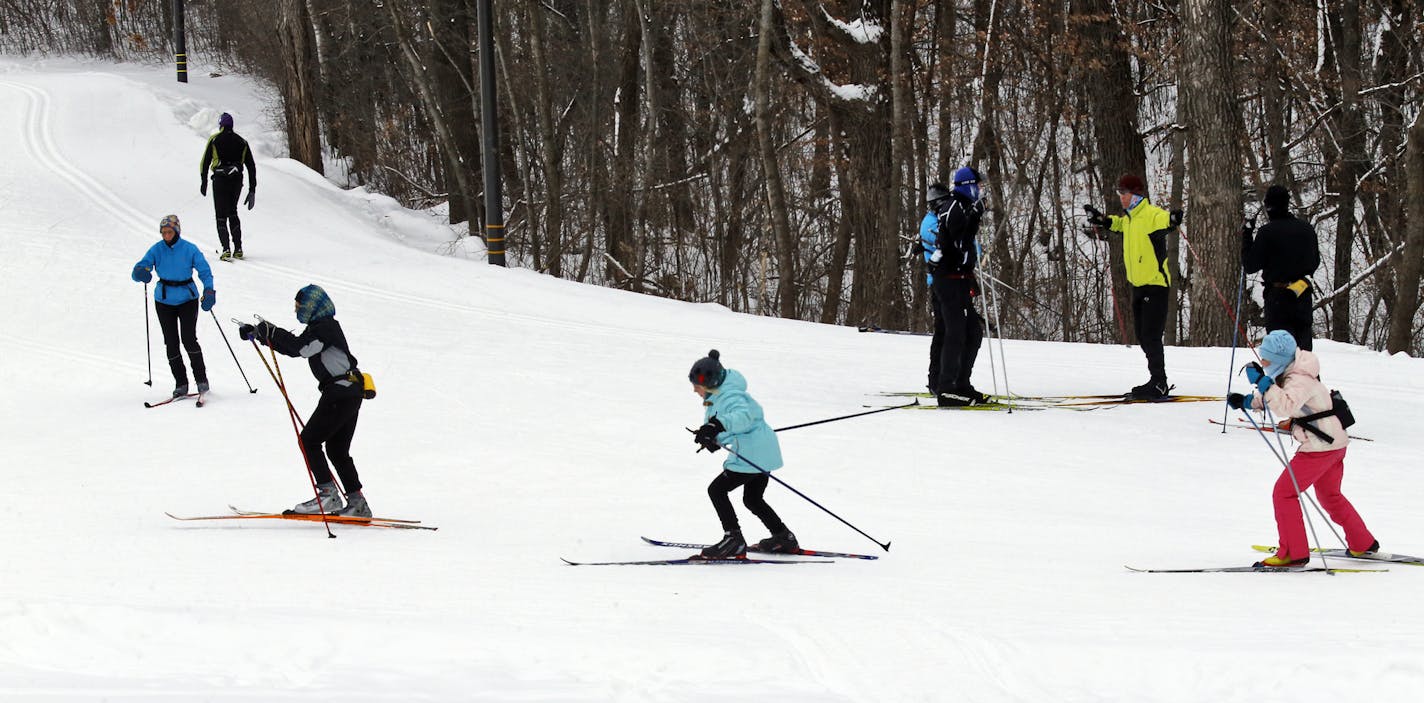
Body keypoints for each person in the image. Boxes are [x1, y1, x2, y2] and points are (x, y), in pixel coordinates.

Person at [1227, 330, 1377, 567]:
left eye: (1265, 359)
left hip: (1321, 447)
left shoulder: (1300, 378)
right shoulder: (1291, 373)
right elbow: (1278, 396)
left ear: (1278, 359)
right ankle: (1362, 543)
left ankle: (1292, 552)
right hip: (1332, 444)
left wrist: (1261, 381)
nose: (1262, 363)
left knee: (1284, 493)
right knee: (1330, 496)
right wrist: (1247, 401)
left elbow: (1285, 405)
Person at [239, 285, 371, 518]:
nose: (296, 311)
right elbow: (297, 347)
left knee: (309, 440)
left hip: (340, 392)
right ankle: (357, 502)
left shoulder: (325, 327)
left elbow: (301, 348)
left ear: (312, 306)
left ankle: (328, 495)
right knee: (337, 449)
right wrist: (262, 335)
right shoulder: (321, 327)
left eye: (299, 306)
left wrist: (270, 332)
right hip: (349, 392)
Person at [688, 349, 796, 558]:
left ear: (710, 384)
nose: (695, 391)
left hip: (752, 454)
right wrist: (713, 437)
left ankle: (733, 540)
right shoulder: (722, 394)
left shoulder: (730, 396)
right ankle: (783, 537)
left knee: (717, 490)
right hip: (761, 451)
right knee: (753, 499)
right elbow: (734, 424)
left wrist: (716, 425)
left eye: (697, 386)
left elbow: (742, 417)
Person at [1084, 173, 1182, 399]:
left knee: (1151, 334)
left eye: (1123, 193)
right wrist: (1101, 219)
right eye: (1120, 193)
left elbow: (1165, 220)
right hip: (1138, 286)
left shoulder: (1150, 215)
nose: (1120, 197)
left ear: (1135, 194)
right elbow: (1118, 225)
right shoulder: (1129, 218)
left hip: (1155, 285)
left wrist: (1174, 219)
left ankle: (1159, 382)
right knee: (1142, 334)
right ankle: (1156, 380)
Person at [919, 167, 988, 407]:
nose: (980, 190)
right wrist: (976, 217)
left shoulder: (961, 207)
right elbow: (959, 242)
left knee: (973, 333)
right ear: (967, 185)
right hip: (947, 280)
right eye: (978, 186)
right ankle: (946, 388)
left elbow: (962, 239)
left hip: (958, 278)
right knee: (955, 332)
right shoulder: (954, 207)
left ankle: (961, 384)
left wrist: (975, 215)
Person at [131, 215, 215, 397]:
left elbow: (204, 271)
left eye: (169, 232)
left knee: (188, 338)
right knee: (171, 342)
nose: (166, 236)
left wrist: (209, 290)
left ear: (176, 231)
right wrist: (140, 272)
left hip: (187, 299)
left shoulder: (189, 249)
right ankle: (181, 383)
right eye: (163, 233)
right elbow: (139, 268)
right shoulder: (157, 249)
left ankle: (201, 379)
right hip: (164, 300)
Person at [1241, 184, 1319, 351]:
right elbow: (1314, 263)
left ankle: (1285, 377)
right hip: (1302, 293)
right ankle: (1307, 377)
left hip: (1278, 298)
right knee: (1303, 351)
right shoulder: (1306, 229)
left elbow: (1250, 265)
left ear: (1269, 207)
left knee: (1281, 352)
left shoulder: (1266, 233)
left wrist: (1247, 235)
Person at [199, 112, 257, 261]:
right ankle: (238, 248)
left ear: (221, 125)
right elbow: (251, 166)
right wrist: (252, 189)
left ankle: (225, 249)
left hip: (220, 179)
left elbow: (204, 162)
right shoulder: (242, 142)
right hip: (237, 180)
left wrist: (204, 181)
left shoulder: (214, 139)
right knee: (233, 212)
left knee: (220, 215)